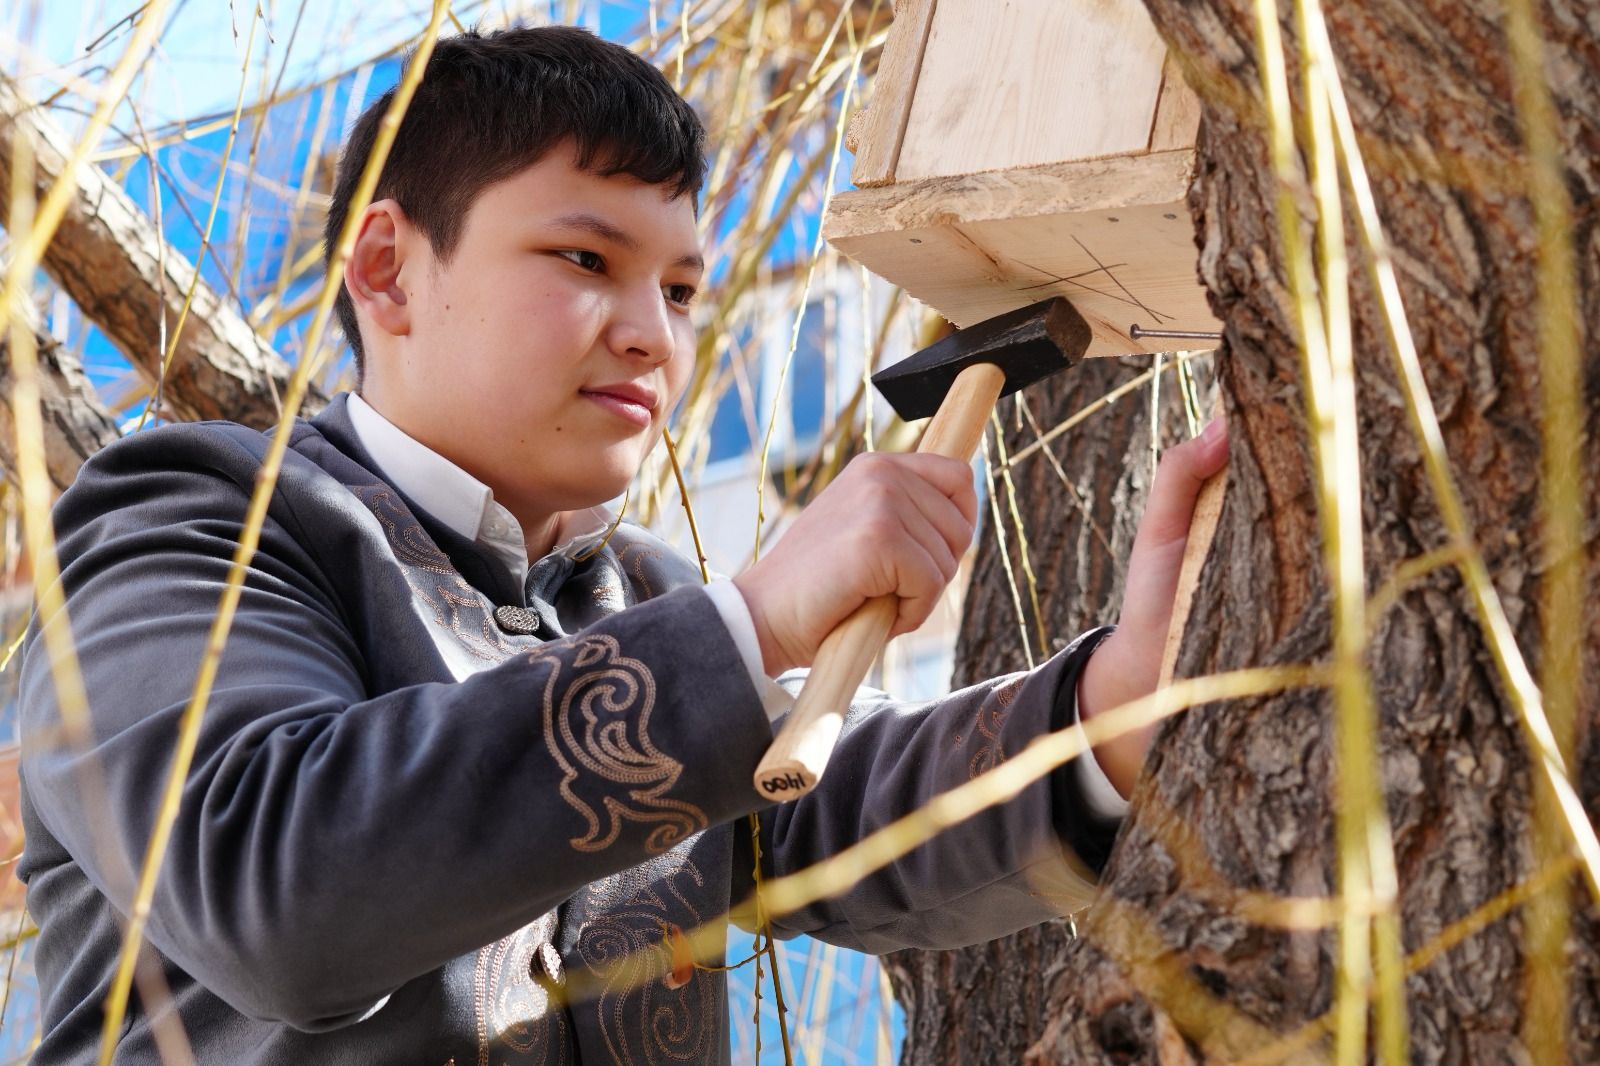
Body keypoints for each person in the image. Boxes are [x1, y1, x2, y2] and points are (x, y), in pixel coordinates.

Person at [17, 25, 1229, 1065]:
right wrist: (751, 627)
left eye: (688, 291)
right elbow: (269, 886)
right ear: (387, 268)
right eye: (586, 260)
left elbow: (831, 806)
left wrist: (1107, 713)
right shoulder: (185, 525)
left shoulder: (634, 591)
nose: (654, 335)